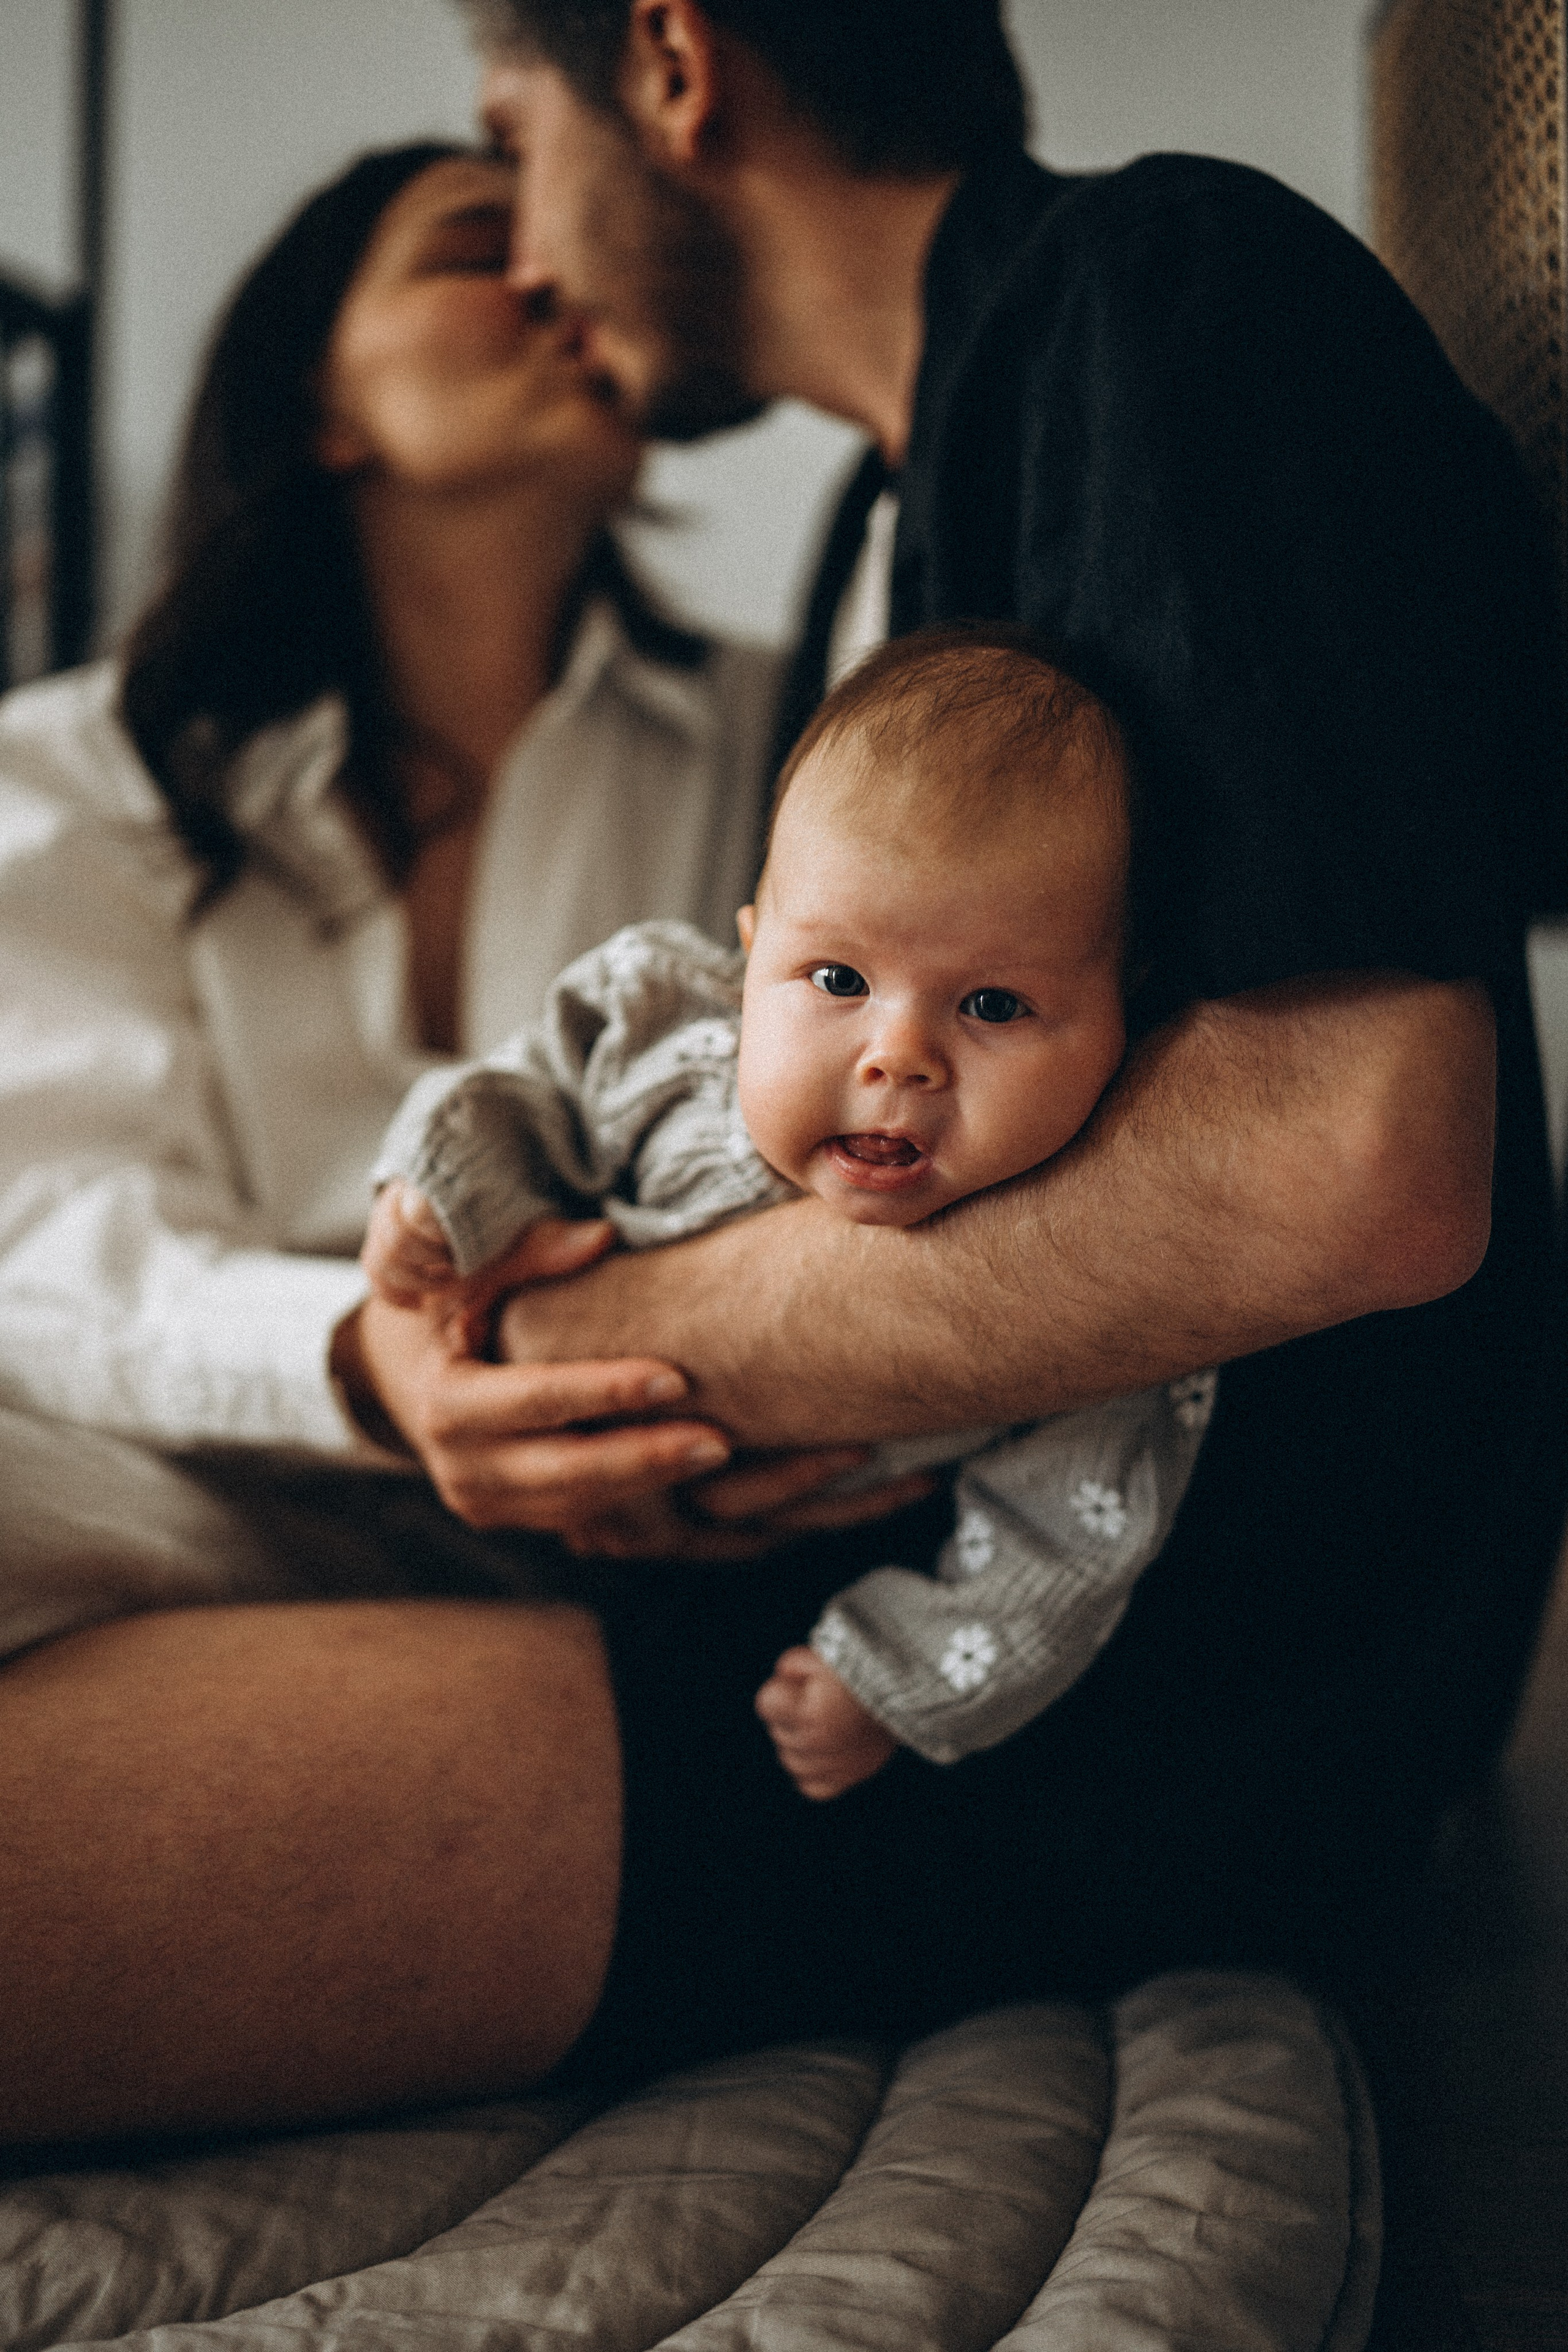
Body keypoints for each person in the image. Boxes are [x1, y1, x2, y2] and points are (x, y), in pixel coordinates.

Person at [353, 0, 1565, 2052]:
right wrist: (455, 1363)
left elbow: (1354, 1169)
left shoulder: (1164, 296)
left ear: (670, 61)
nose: (528, 254)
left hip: (1132, 1709)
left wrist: (551, 1360)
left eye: (510, 134)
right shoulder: (880, 524)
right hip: (836, 1616)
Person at [0, 141, 916, 2142]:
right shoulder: (73, 774)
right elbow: (47, 1226)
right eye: (467, 250)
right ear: (318, 402)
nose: (552, 276)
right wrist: (365, 1363)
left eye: (553, 233)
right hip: (226, 1477)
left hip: (650, 1504)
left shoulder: (806, 748)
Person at [364, 627, 1219, 1801]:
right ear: (751, 954)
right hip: (509, 1518)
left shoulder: (1092, 1299)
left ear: (1123, 1023)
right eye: (837, 982)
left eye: (994, 1004)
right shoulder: (667, 1032)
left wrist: (891, 1674)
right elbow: (526, 1092)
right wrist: (434, 1195)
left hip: (801, 1616)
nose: (899, 1056)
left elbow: (1067, 1541)